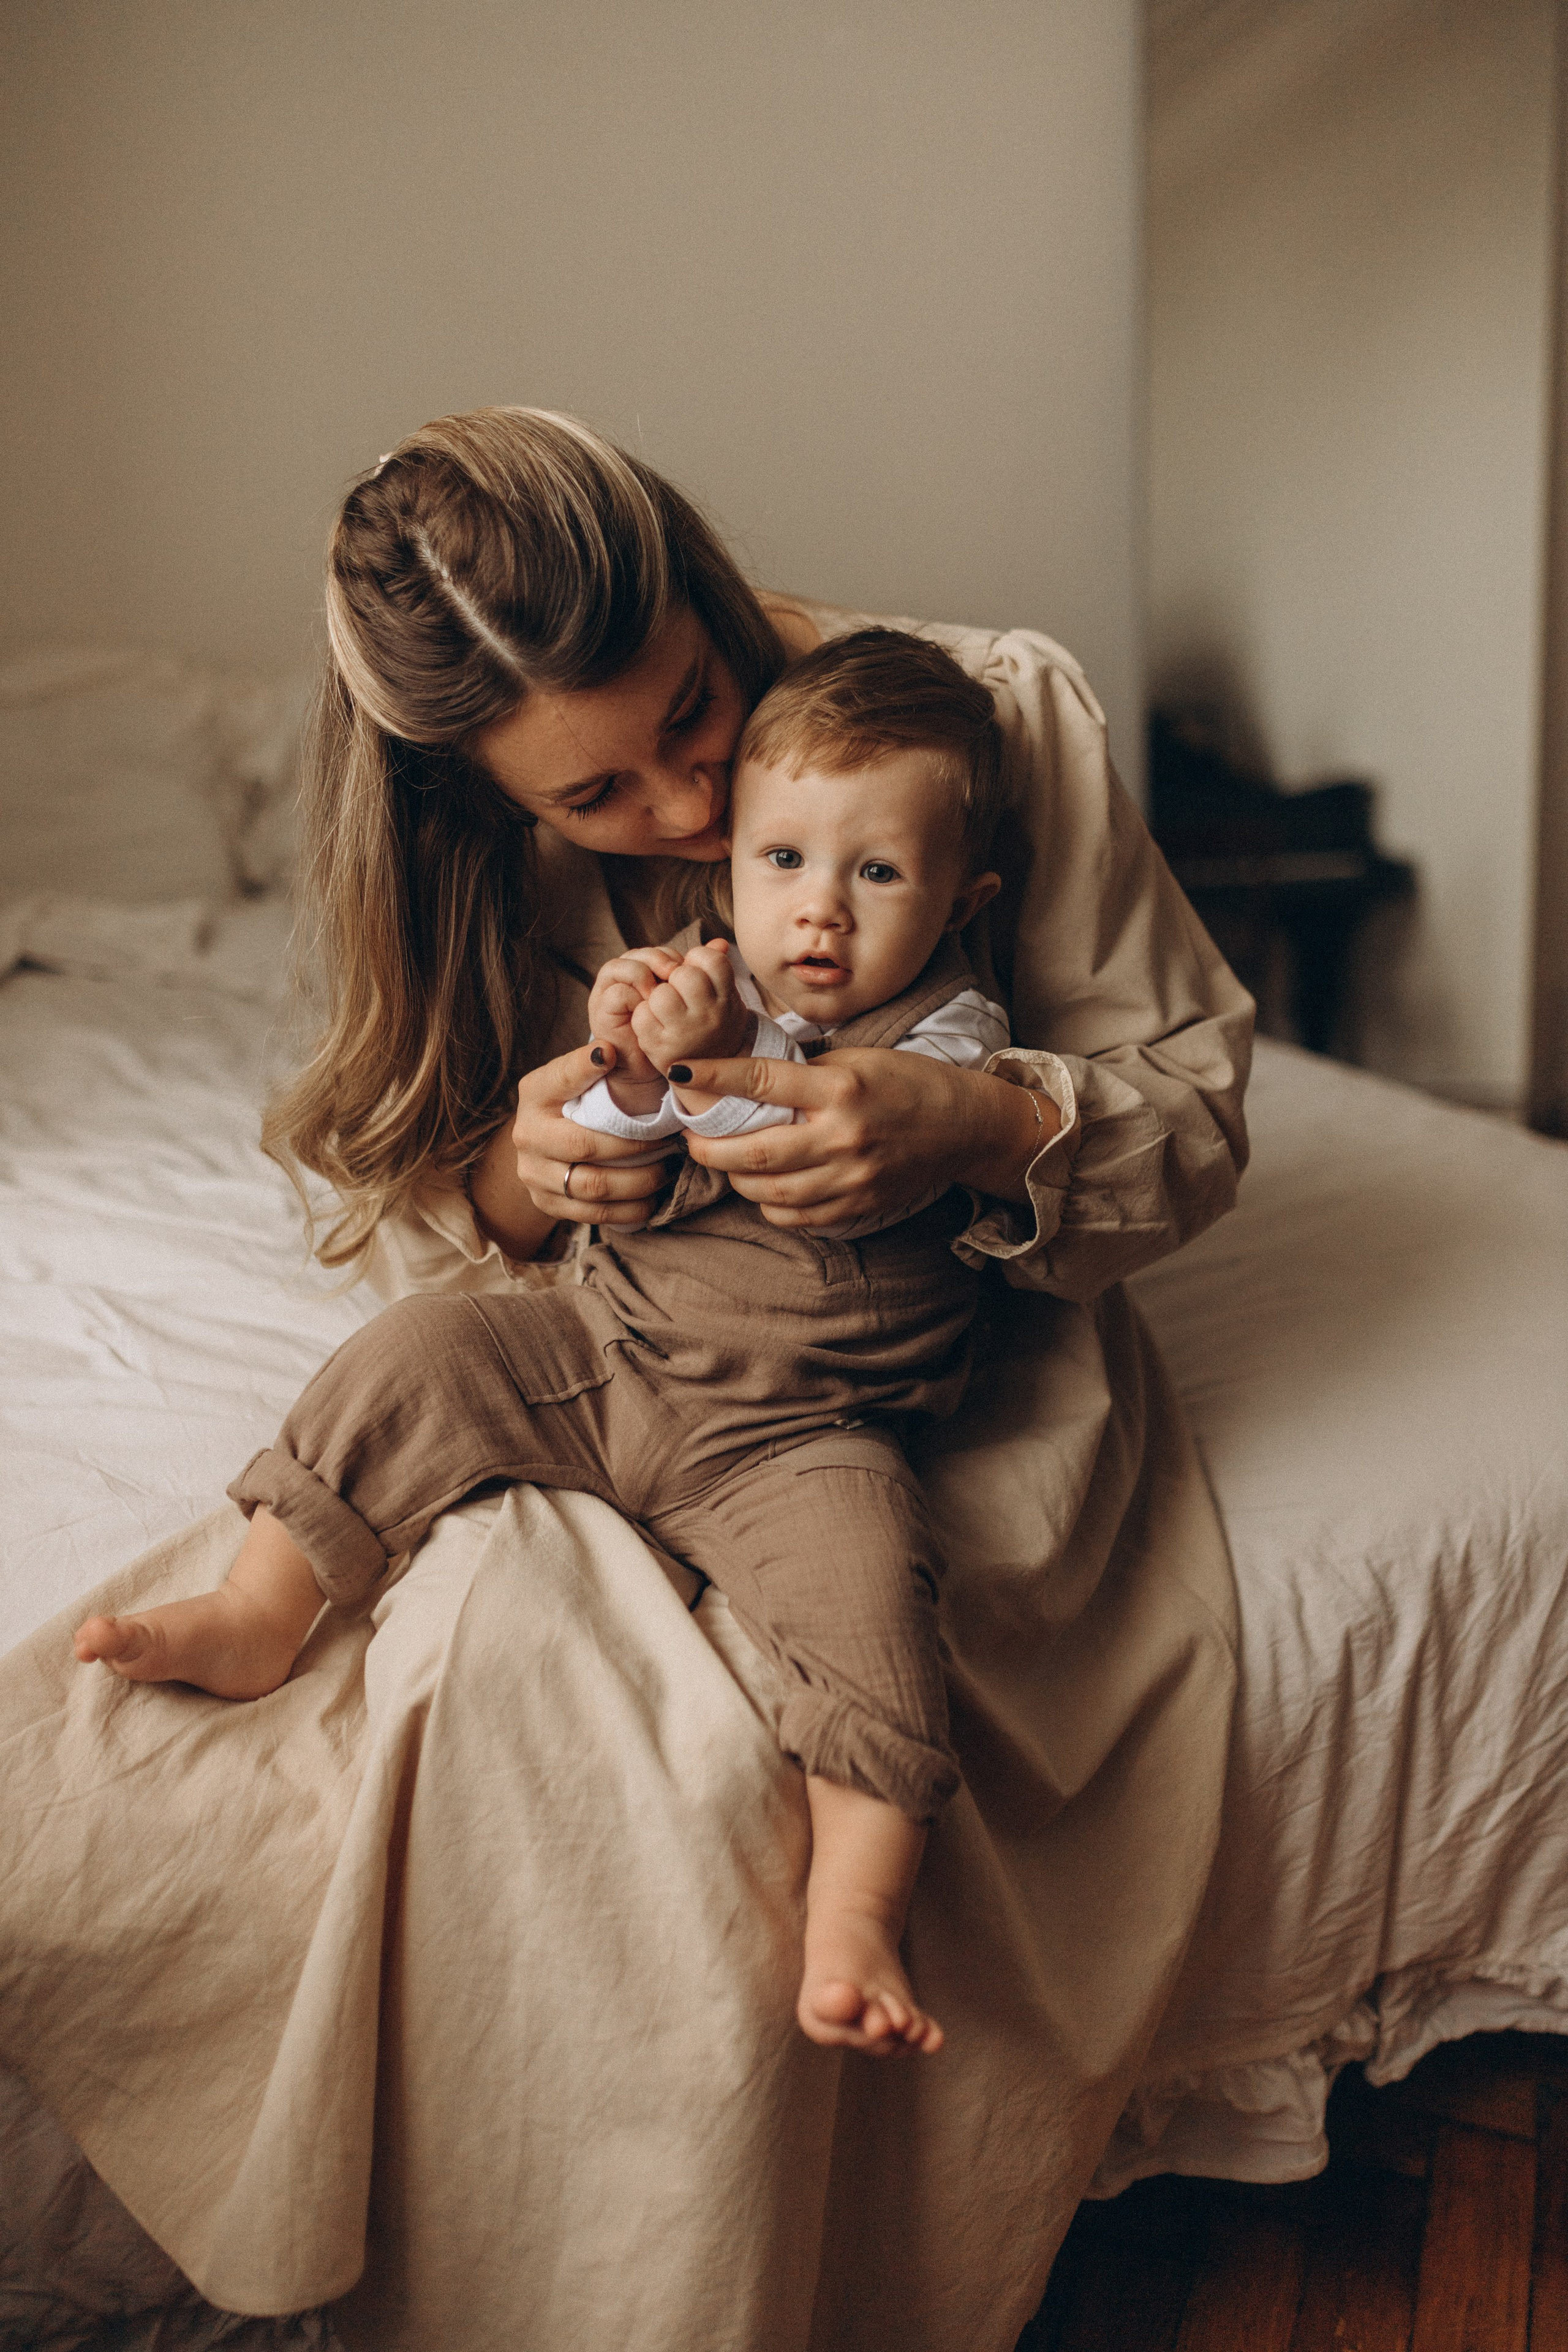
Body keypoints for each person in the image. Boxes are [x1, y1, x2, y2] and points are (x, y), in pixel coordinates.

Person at [0, 407, 1254, 2351]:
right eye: (601, 802)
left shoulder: (977, 728)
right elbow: (419, 1196)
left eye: (694, 716)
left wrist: (975, 1124)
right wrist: (527, 1168)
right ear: (495, 807)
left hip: (869, 1396)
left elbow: (1191, 1121)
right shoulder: (469, 868)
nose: (684, 813)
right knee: (462, 1570)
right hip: (607, 1341)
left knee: (849, 1638)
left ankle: (814, 2023)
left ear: (699, 578)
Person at [75, 628, 1017, 2059]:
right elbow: (613, 1149)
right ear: (731, 870)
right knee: (418, 1355)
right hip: (606, 1344)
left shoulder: (951, 1041)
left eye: (875, 874)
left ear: (963, 896)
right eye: (781, 864)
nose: (817, 912)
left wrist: (697, 1071)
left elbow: (790, 1134)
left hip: (801, 1429)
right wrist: (624, 1074)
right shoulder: (699, 977)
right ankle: (263, 1611)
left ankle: (853, 1917)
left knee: (876, 1602)